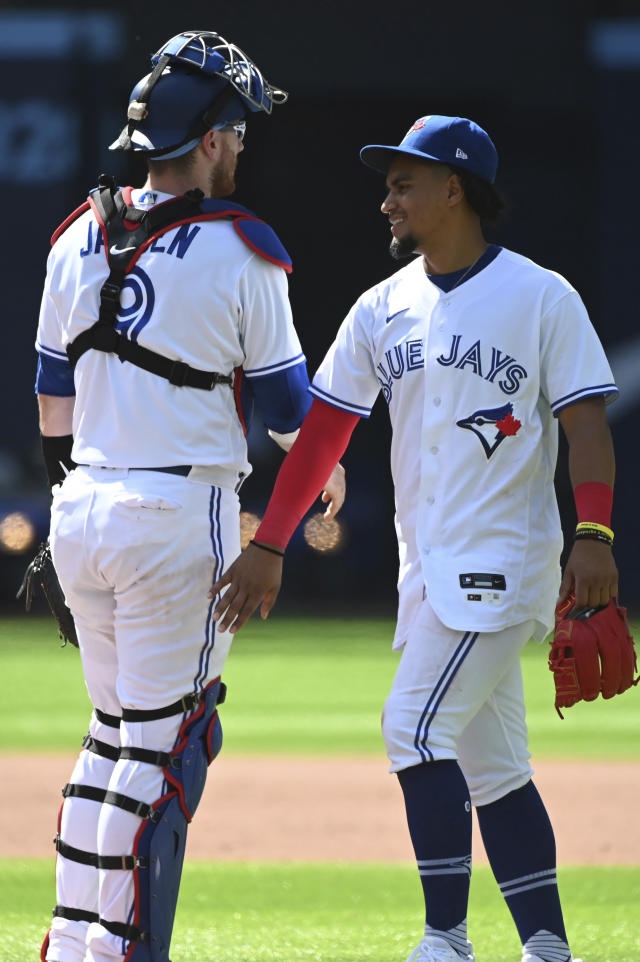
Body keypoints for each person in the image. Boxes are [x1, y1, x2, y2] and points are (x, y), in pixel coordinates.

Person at [211, 114, 620, 962]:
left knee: (413, 730)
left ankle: (445, 941)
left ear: (454, 188)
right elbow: (324, 433)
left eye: (405, 182)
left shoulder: (542, 295)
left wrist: (595, 533)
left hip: (501, 564)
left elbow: (585, 426)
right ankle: (547, 947)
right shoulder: (381, 307)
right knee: (496, 771)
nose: (388, 199)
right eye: (388, 183)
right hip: (425, 573)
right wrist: (272, 542)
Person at [34, 29, 344, 962]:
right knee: (170, 746)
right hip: (177, 514)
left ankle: (74, 942)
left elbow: (52, 406)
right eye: (238, 128)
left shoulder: (74, 234)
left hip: (80, 503)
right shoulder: (243, 250)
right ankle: (121, 950)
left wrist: (84, 496)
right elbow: (290, 408)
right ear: (207, 136)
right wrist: (324, 484)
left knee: (109, 739)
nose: (242, 146)